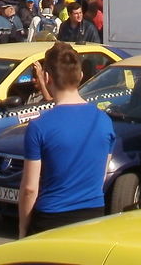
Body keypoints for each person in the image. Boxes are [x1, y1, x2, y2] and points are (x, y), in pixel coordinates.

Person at [18, 42, 115, 237]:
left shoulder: (39, 126)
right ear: (80, 76)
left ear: (46, 78)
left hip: (51, 219)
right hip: (93, 218)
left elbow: (29, 188)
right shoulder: (104, 121)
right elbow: (102, 175)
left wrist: (23, 228)